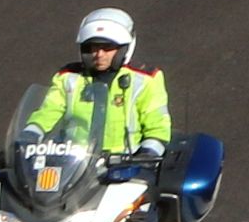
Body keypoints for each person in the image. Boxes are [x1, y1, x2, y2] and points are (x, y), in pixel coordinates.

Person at [10, 11, 168, 167]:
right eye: (93, 48)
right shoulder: (69, 77)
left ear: (123, 48)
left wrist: (148, 153)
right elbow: (48, 111)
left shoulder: (145, 79)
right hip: (73, 162)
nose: (99, 54)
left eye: (107, 48)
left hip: (125, 164)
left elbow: (157, 125)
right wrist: (29, 136)